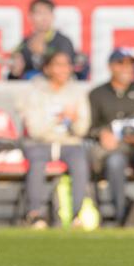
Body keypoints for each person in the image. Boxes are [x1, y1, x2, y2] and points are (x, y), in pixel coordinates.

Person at [20, 51, 91, 228]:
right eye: (58, 65)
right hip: (41, 143)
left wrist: (73, 121)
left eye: (66, 65)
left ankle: (77, 214)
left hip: (69, 143)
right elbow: (35, 130)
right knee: (37, 164)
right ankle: (35, 213)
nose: (63, 70)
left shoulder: (77, 92)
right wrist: (58, 119)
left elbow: (82, 129)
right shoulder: (35, 92)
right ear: (47, 68)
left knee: (80, 163)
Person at [88, 48, 134, 225]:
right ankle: (121, 214)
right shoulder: (97, 94)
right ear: (111, 66)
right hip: (113, 149)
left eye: (130, 63)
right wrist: (102, 134)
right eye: (121, 63)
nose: (126, 68)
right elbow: (89, 127)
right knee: (115, 163)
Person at [8, 0, 85, 80]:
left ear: (53, 16)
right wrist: (15, 72)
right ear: (30, 17)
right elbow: (13, 80)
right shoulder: (24, 44)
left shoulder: (63, 41)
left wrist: (43, 53)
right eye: (39, 13)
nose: (44, 18)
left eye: (47, 13)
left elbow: (67, 70)